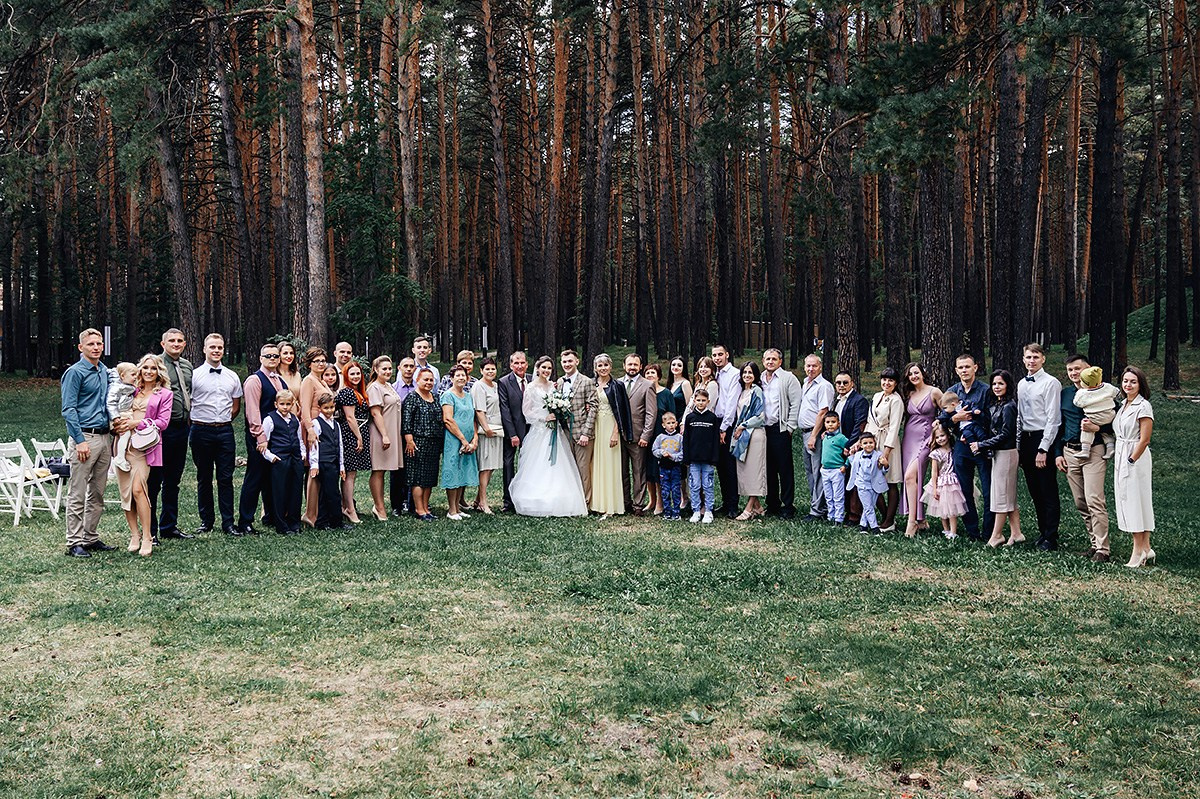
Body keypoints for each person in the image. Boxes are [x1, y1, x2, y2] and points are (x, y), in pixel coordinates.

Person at [508, 356, 588, 517]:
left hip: (555, 430)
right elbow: (527, 411)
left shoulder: (554, 385)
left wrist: (558, 412)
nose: (546, 371)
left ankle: (560, 497)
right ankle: (536, 498)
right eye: (543, 367)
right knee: (539, 462)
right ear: (537, 368)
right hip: (540, 429)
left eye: (549, 368)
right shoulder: (531, 387)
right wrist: (544, 417)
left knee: (559, 463)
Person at [61, 328, 116, 557]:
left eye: (99, 343)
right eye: (91, 344)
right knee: (78, 491)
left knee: (98, 491)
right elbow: (69, 409)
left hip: (105, 437)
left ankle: (90, 537)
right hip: (85, 438)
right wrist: (79, 440)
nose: (96, 347)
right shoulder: (75, 373)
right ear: (81, 347)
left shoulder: (104, 371)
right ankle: (74, 542)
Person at [1055, 355, 1113, 563]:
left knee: (1094, 499)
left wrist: (1098, 428)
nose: (1074, 373)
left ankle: (1103, 550)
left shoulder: (1103, 392)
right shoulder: (1066, 394)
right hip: (1070, 452)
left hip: (1094, 451)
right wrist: (1057, 453)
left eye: (1078, 369)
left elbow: (1114, 420)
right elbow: (1058, 425)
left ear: (1089, 369)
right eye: (1070, 370)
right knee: (1080, 501)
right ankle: (1094, 543)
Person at [117, 355, 174, 557]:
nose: (149, 371)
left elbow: (163, 423)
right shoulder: (131, 390)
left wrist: (137, 424)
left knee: (139, 490)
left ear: (159, 371)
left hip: (145, 446)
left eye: (153, 368)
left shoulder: (165, 394)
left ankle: (148, 536)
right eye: (145, 368)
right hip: (123, 446)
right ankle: (134, 534)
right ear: (140, 370)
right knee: (126, 492)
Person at [189, 333, 243, 536]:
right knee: (204, 477)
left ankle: (228, 523)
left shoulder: (232, 376)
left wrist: (223, 421)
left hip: (224, 431)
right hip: (200, 430)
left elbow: (236, 406)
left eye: (219, 347)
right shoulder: (194, 375)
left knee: (226, 477)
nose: (216, 350)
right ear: (204, 349)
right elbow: (188, 404)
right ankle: (206, 521)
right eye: (212, 347)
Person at [937, 354, 992, 542]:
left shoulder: (985, 390)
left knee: (988, 490)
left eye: (967, 367)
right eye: (960, 367)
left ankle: (989, 532)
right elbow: (942, 419)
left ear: (975, 368)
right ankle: (973, 532)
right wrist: (955, 419)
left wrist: (974, 420)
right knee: (964, 490)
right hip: (961, 447)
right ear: (956, 370)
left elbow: (990, 417)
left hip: (982, 446)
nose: (964, 370)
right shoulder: (952, 391)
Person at [1017, 342, 1062, 551]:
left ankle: (1051, 536)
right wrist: (1019, 446)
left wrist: (1043, 449)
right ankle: (1042, 531)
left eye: (1036, 357)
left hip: (1043, 439)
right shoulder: (1021, 384)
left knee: (1047, 489)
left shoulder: (1051, 383)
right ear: (1023, 359)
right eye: (1028, 357)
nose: (1032, 361)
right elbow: (1019, 416)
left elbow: (1053, 419)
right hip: (1025, 440)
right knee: (1034, 490)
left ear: (1043, 359)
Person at [237, 342, 285, 535]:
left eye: (275, 356)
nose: (272, 359)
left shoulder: (279, 380)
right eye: (268, 356)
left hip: (276, 436)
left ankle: (271, 516)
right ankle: (245, 521)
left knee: (270, 478)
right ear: (260, 358)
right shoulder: (254, 381)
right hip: (259, 437)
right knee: (254, 478)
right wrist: (260, 438)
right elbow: (252, 412)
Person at [150, 327, 193, 542]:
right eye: (172, 341)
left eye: (180, 341)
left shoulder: (186, 366)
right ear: (163, 343)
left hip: (181, 427)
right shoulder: (156, 364)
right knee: (154, 481)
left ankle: (169, 525)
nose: (176, 344)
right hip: (160, 430)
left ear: (185, 344)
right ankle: (151, 531)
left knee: (173, 480)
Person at [973, 370, 1021, 548]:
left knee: (1001, 496)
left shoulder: (1009, 406)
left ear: (1007, 385)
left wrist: (982, 444)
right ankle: (1016, 533)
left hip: (1007, 453)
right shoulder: (996, 405)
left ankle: (997, 535)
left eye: (1001, 383)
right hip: (998, 453)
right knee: (1007, 495)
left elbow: (1006, 434)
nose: (997, 387)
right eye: (994, 384)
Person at [1114, 366, 1156, 568]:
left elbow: (1145, 439)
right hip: (1122, 453)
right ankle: (1147, 548)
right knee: (1130, 501)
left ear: (1140, 384)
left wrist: (1131, 460)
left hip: (1135, 458)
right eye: (1125, 381)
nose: (1128, 385)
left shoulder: (1143, 406)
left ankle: (1138, 550)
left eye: (1133, 381)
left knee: (1135, 503)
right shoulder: (1123, 405)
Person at [900, 362, 942, 537]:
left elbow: (947, 411)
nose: (914, 376)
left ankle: (912, 521)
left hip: (926, 439)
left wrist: (939, 424)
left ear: (923, 373)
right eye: (910, 374)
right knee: (909, 479)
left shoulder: (934, 391)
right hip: (909, 439)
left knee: (911, 476)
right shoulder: (909, 393)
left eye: (916, 372)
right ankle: (921, 520)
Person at [760, 349, 802, 519]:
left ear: (780, 361)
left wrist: (790, 427)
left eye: (774, 359)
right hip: (763, 429)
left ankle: (787, 505)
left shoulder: (788, 378)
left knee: (784, 468)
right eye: (767, 359)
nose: (770, 361)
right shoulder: (760, 378)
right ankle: (772, 504)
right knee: (768, 468)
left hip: (781, 428)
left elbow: (795, 403)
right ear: (763, 361)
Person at [258, 389, 304, 535]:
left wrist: (302, 453)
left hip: (295, 458)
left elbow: (299, 438)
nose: (285, 407)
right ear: (276, 404)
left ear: (293, 404)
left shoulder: (295, 419)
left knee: (295, 491)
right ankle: (281, 525)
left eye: (288, 404)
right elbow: (263, 443)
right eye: (282, 404)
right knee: (279, 492)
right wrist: (271, 457)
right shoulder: (270, 419)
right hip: (279, 460)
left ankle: (294, 522)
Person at [863, 367, 904, 532]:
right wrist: (864, 442)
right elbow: (869, 420)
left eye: (891, 380)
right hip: (873, 441)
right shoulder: (876, 396)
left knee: (891, 481)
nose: (886, 383)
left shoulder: (896, 400)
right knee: (873, 480)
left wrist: (885, 454)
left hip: (889, 443)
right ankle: (884, 514)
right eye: (884, 379)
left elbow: (894, 428)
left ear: (896, 383)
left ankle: (889, 520)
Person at [558, 349, 599, 505]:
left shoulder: (587, 381)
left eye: (570, 361)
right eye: (564, 362)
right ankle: (572, 501)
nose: (567, 364)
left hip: (582, 433)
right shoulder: (560, 382)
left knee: (583, 470)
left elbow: (594, 407)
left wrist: (586, 433)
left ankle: (585, 503)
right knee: (569, 469)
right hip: (565, 432)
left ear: (577, 361)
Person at [403, 368, 444, 521]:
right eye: (425, 379)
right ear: (417, 380)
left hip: (434, 443)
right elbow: (406, 422)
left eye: (431, 380)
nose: (428, 383)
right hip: (418, 442)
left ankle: (426, 508)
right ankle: (419, 510)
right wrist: (409, 440)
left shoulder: (435, 397)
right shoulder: (412, 398)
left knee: (429, 478)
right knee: (418, 478)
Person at [798, 354, 835, 521]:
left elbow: (823, 412)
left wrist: (813, 436)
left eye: (814, 366)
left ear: (820, 367)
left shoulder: (824, 386)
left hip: (815, 433)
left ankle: (818, 510)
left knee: (818, 472)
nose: (810, 369)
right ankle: (818, 504)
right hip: (805, 433)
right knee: (810, 472)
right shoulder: (805, 383)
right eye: (808, 366)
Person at [619, 353, 658, 515]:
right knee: (621, 471)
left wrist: (645, 436)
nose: (632, 367)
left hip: (638, 436)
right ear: (624, 366)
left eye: (635, 364)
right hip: (619, 436)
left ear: (640, 367)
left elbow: (651, 413)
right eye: (630, 364)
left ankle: (638, 504)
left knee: (638, 472)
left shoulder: (647, 385)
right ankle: (624, 501)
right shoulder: (617, 383)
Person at [591, 354, 629, 517]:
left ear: (611, 367)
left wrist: (616, 432)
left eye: (606, 365)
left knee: (610, 466)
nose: (603, 368)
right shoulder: (591, 384)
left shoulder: (617, 385)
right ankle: (597, 503)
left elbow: (621, 411)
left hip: (610, 427)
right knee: (595, 465)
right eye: (600, 365)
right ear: (595, 368)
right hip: (595, 427)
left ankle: (612, 505)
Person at [441, 365, 479, 520]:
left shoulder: (469, 395)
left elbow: (473, 419)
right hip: (454, 439)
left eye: (463, 375)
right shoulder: (448, 396)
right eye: (458, 375)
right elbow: (448, 419)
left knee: (463, 472)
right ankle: (451, 509)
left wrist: (474, 438)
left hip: (468, 440)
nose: (461, 378)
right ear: (452, 378)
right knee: (453, 471)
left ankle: (458, 506)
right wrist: (463, 440)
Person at [731, 361, 767, 521]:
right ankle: (758, 507)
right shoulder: (740, 391)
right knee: (745, 471)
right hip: (742, 436)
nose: (747, 375)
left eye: (750, 373)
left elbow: (760, 416)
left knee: (755, 472)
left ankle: (749, 508)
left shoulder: (756, 391)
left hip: (755, 434)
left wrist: (743, 426)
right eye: (744, 372)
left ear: (756, 375)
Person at [367, 356, 402, 521]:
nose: (388, 372)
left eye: (390, 369)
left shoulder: (388, 386)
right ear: (376, 370)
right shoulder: (374, 388)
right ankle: (379, 507)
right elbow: (375, 413)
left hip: (393, 432)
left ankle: (380, 505)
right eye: (384, 369)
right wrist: (385, 435)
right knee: (378, 470)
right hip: (381, 433)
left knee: (385, 469)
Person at [336, 362, 371, 524]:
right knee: (349, 473)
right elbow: (350, 417)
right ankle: (349, 508)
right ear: (346, 376)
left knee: (352, 473)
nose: (356, 376)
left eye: (358, 373)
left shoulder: (359, 392)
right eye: (352, 374)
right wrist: (359, 437)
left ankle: (347, 505)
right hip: (351, 434)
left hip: (359, 431)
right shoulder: (347, 393)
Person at [309, 392, 350, 531]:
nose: (329, 410)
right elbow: (314, 446)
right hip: (324, 462)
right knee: (331, 493)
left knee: (329, 492)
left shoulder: (336, 424)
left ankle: (325, 522)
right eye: (326, 408)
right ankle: (333, 522)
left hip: (334, 461)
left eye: (332, 407)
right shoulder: (316, 423)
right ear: (319, 408)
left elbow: (340, 445)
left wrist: (341, 466)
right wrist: (314, 464)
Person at [298, 347, 330, 527]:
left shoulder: (322, 381)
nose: (321, 364)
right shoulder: (308, 381)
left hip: (325, 429)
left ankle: (318, 511)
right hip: (313, 430)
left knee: (320, 470)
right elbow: (305, 407)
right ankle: (310, 514)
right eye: (317, 361)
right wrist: (310, 430)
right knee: (313, 470)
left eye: (323, 361)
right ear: (309, 364)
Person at [832, 372, 869, 524]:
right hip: (839, 446)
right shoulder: (837, 401)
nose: (841, 385)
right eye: (838, 383)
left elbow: (859, 425)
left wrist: (849, 445)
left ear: (852, 383)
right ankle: (844, 510)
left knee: (854, 481)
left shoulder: (859, 400)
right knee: (843, 478)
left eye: (845, 382)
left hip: (853, 446)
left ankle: (855, 515)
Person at [498, 351, 531, 512]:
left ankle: (527, 497)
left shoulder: (533, 380)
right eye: (516, 363)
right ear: (511, 365)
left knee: (530, 465)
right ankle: (508, 500)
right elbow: (505, 410)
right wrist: (512, 434)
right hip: (512, 431)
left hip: (532, 431)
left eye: (522, 363)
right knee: (508, 464)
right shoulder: (504, 382)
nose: (519, 366)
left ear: (527, 364)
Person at [710, 345, 741, 517]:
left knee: (729, 465)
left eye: (720, 354)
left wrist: (724, 428)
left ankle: (733, 505)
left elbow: (731, 402)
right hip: (715, 422)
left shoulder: (734, 374)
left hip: (727, 423)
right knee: (720, 464)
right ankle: (725, 501)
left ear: (727, 354)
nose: (717, 358)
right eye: (714, 355)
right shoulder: (715, 374)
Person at [641, 363, 676, 515]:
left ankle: (661, 503)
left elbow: (672, 414)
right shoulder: (643, 391)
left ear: (659, 375)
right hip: (646, 435)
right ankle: (652, 500)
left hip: (661, 435)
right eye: (647, 373)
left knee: (658, 469)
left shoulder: (666, 393)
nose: (649, 375)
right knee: (648, 469)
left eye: (652, 373)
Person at [682, 389, 720, 524]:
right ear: (694, 401)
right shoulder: (690, 418)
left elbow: (716, 440)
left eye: (703, 400)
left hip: (708, 460)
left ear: (708, 401)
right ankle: (696, 511)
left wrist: (715, 458)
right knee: (695, 485)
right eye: (698, 400)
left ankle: (709, 511)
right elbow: (686, 439)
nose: (701, 402)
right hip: (693, 460)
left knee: (708, 485)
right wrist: (686, 458)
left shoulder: (712, 418)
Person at [925, 421, 968, 539]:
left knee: (952, 508)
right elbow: (934, 472)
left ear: (948, 435)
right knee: (942, 508)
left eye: (942, 435)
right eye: (937, 437)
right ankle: (946, 530)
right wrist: (935, 488)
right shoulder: (936, 453)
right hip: (942, 481)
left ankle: (953, 532)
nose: (940, 439)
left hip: (953, 481)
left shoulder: (954, 450)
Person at [470, 358, 503, 514]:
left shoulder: (496, 386)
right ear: (481, 371)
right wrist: (486, 428)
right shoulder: (479, 386)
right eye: (487, 369)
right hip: (487, 430)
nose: (491, 372)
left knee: (491, 468)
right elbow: (479, 411)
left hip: (498, 429)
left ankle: (477, 500)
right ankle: (483, 502)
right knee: (485, 467)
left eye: (493, 369)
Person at [1073, 366, 1120, 459]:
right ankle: (1110, 448)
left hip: (1094, 418)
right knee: (1106, 433)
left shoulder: (1082, 393)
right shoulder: (1107, 387)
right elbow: (1117, 392)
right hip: (1109, 415)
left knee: (1087, 429)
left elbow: (1077, 403)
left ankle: (1085, 450)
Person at [391, 356, 418, 515]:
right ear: (399, 368)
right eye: (405, 366)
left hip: (416, 434)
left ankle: (412, 502)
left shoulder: (419, 387)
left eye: (411, 366)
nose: (408, 369)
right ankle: (397, 505)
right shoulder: (393, 388)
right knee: (398, 471)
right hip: (398, 434)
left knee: (414, 470)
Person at [847, 432, 888, 534]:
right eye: (865, 443)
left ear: (875, 443)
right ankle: (875, 528)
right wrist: (851, 454)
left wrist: (886, 465)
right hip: (862, 485)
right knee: (868, 507)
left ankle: (863, 526)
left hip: (874, 485)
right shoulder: (858, 455)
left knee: (869, 506)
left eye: (871, 442)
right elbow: (854, 465)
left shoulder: (879, 455)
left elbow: (883, 471)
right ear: (861, 445)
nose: (868, 445)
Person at [652, 412, 684, 520]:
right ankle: (667, 511)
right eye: (668, 423)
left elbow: (683, 453)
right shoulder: (660, 437)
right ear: (663, 425)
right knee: (665, 490)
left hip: (675, 467)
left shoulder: (679, 437)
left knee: (675, 490)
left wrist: (673, 456)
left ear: (676, 424)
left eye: (673, 423)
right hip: (663, 468)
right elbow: (654, 450)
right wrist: (661, 452)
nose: (671, 425)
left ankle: (676, 511)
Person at [819, 412, 849, 524]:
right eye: (828, 422)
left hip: (837, 470)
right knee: (828, 495)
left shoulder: (841, 438)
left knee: (838, 496)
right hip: (825, 470)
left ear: (838, 424)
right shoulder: (825, 436)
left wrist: (845, 465)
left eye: (833, 422)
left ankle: (839, 518)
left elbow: (850, 452)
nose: (830, 424)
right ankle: (830, 516)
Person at [107, 362, 137, 472]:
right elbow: (110, 403)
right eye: (133, 375)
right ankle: (119, 457)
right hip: (118, 417)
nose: (135, 377)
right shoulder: (116, 388)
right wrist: (115, 418)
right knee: (125, 434)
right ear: (123, 376)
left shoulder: (128, 387)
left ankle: (118, 458)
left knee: (126, 435)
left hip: (125, 414)